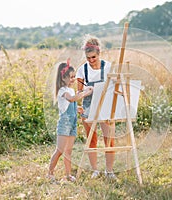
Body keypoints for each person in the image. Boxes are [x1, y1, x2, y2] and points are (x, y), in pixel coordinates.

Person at [76, 35, 116, 179]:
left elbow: (115, 87)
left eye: (94, 57)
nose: (91, 60)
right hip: (88, 108)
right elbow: (79, 92)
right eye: (88, 58)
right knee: (91, 139)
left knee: (109, 140)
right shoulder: (82, 70)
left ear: (99, 53)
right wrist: (78, 102)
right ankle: (95, 170)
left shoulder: (109, 67)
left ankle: (109, 171)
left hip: (106, 107)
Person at [47, 59, 93, 182]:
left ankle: (67, 174)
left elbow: (71, 104)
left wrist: (78, 108)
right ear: (63, 78)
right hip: (64, 124)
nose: (73, 79)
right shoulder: (63, 91)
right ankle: (50, 173)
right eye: (71, 77)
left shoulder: (71, 90)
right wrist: (85, 93)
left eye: (74, 77)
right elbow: (72, 99)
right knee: (60, 150)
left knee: (68, 151)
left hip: (72, 124)